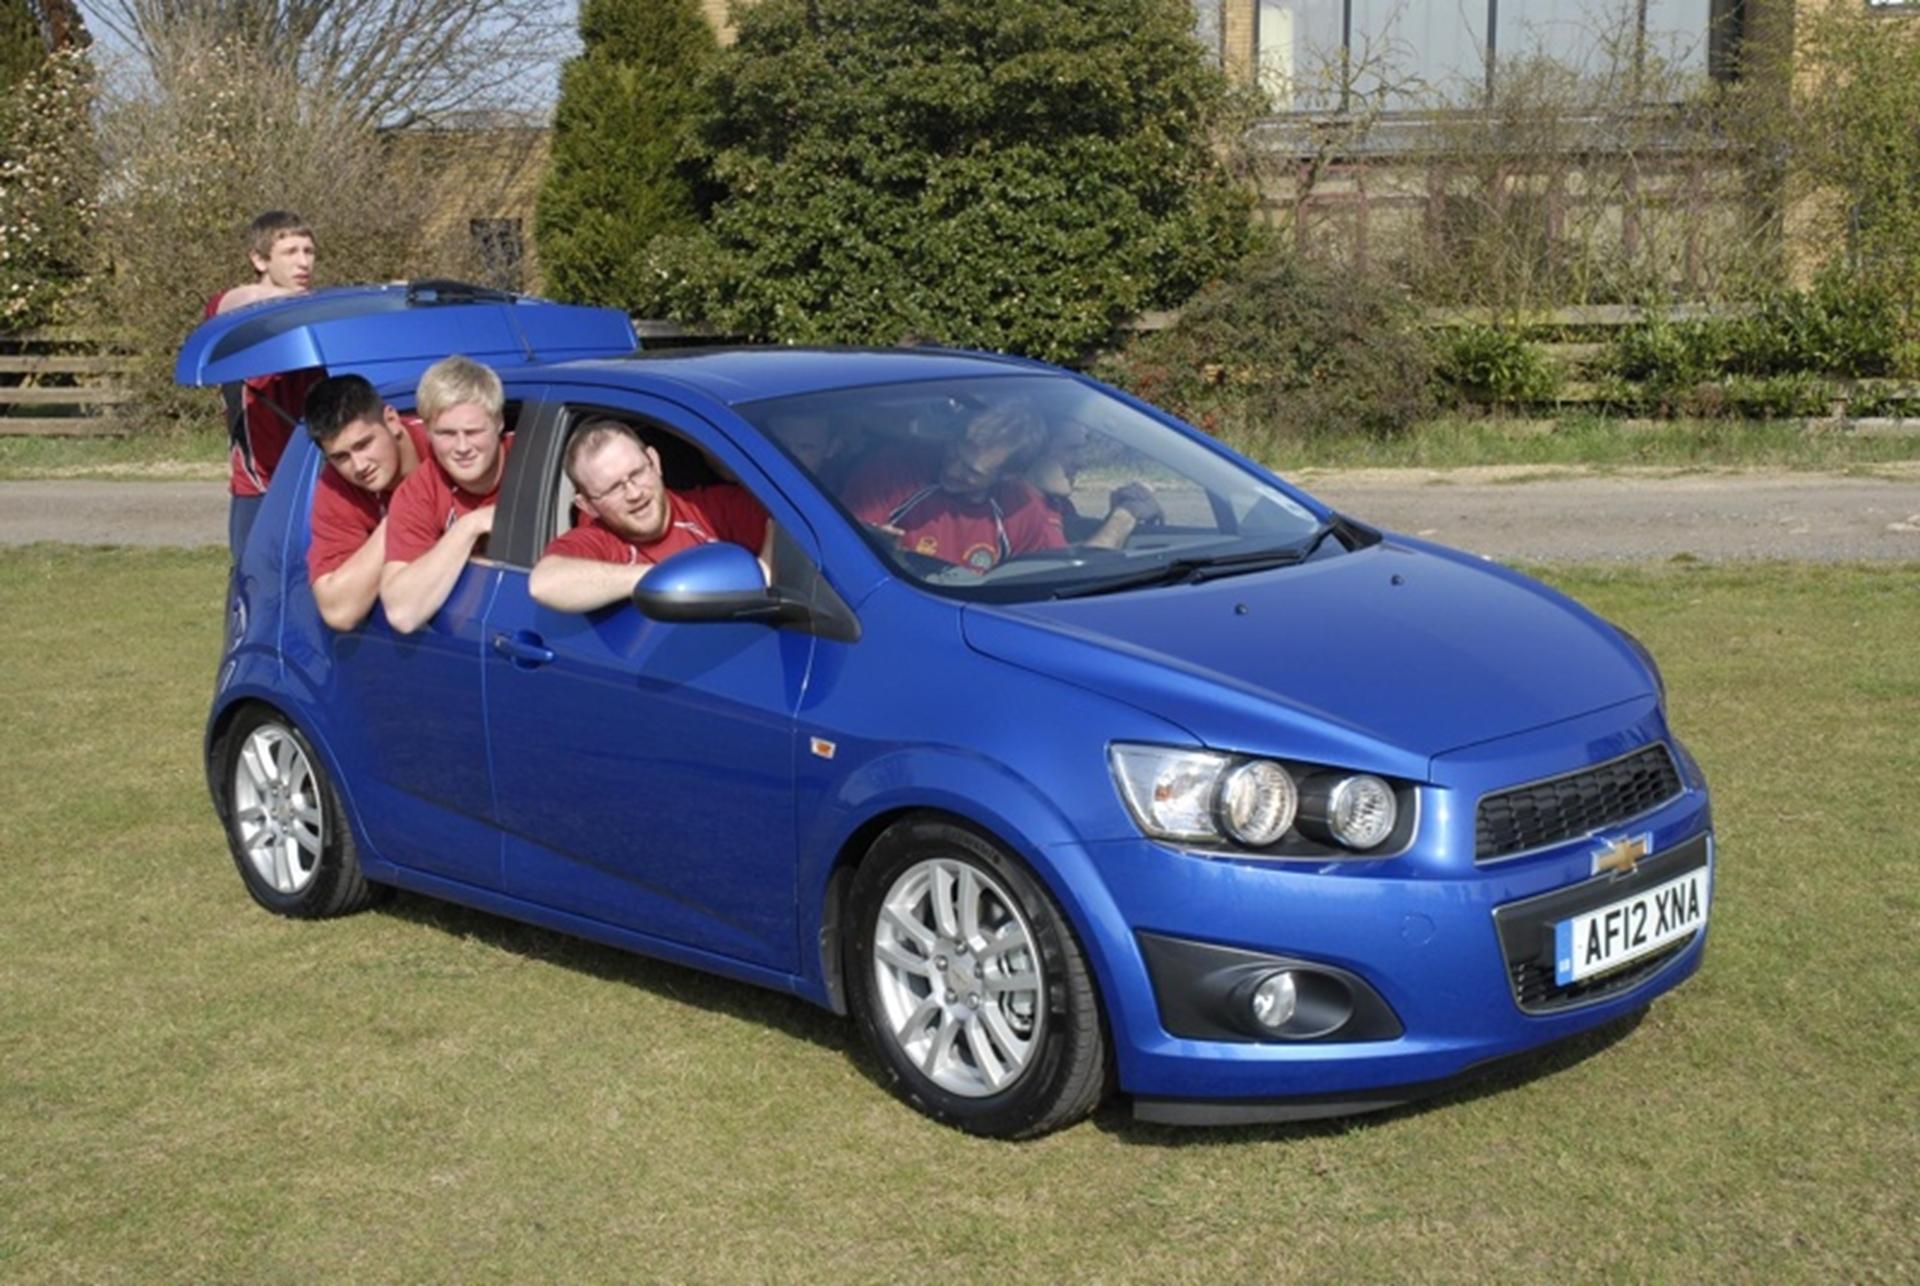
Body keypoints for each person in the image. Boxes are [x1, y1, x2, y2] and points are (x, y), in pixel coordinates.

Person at [841, 400, 1160, 573]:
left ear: (1007, 477)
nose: (952, 471)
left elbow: (1064, 575)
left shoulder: (1021, 507)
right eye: (954, 453)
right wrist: (871, 542)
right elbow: (837, 550)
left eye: (972, 472)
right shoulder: (894, 472)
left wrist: (1124, 516)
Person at [528, 419, 772, 613]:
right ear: (588, 505)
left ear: (654, 462)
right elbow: (544, 583)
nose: (634, 494)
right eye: (613, 489)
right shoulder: (599, 541)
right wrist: (659, 580)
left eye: (637, 473)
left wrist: (766, 569)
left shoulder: (711, 508)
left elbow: (784, 521)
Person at [203, 211, 323, 561]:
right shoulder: (236, 311)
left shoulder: (320, 316)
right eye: (290, 252)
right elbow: (236, 301)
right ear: (259, 260)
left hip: (316, 478)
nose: (303, 262)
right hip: (259, 485)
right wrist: (301, 302)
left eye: (309, 251)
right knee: (254, 582)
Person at [379, 356, 511, 634]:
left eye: (473, 431)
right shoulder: (418, 490)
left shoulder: (540, 459)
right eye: (447, 434)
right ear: (427, 431)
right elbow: (402, 613)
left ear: (499, 422)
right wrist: (470, 526)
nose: (462, 447)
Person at [303, 374, 430, 631]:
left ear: (391, 420)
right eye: (341, 457)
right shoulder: (336, 487)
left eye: (363, 444)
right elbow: (338, 611)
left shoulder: (445, 447)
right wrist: (402, 516)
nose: (360, 466)